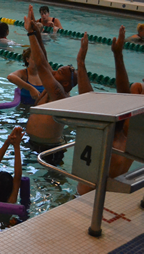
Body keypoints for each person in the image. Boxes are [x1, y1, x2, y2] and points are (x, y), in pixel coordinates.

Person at [77, 26, 134, 195]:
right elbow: (126, 98)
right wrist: (118, 55)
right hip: (114, 197)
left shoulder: (105, 142)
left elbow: (87, 98)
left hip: (86, 200)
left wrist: (80, 62)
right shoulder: (127, 141)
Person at [23, 8, 78, 165]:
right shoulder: (53, 89)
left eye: (59, 72)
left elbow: (41, 65)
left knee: (52, 184)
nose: (53, 72)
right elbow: (45, 62)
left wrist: (31, 33)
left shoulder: (59, 95)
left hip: (48, 149)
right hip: (34, 144)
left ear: (66, 83)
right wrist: (37, 34)